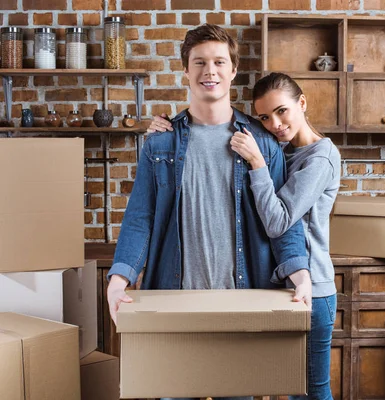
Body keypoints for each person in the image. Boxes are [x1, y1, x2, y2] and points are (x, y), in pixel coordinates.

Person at [106, 25, 312, 400]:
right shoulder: (161, 142)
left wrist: (300, 275)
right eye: (199, 62)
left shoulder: (262, 143)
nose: (209, 71)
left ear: (233, 70)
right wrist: (119, 278)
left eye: (219, 62)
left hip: (243, 300)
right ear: (185, 70)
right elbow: (141, 218)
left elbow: (282, 221)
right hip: (173, 300)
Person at [149, 72, 341, 400]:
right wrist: (161, 129)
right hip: (283, 289)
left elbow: (278, 222)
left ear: (302, 103)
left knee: (311, 390)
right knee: (284, 387)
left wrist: (256, 161)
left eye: (282, 111)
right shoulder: (286, 152)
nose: (276, 124)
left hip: (314, 288)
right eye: (265, 117)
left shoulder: (320, 158)